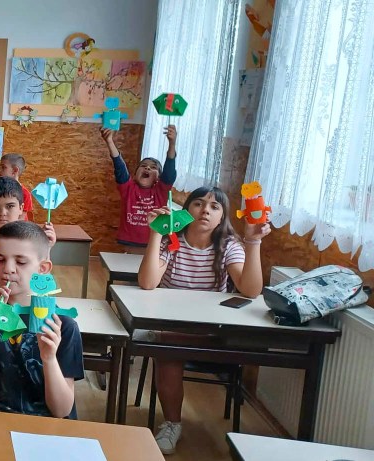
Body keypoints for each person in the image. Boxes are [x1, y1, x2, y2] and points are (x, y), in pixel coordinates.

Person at [137, 186, 270, 455]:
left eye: (214, 207)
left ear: (222, 218)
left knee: (167, 343)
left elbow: (251, 290)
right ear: (186, 210)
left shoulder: (228, 246)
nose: (205, 210)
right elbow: (148, 282)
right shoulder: (171, 240)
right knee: (168, 347)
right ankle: (173, 424)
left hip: (211, 332)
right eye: (198, 204)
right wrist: (156, 232)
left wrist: (253, 242)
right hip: (174, 328)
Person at [0, 221, 84, 418]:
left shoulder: (62, 326)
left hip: (44, 427)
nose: (8, 269)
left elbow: (61, 410)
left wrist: (49, 358)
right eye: (0, 260)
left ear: (43, 268)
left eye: (20, 262)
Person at [102, 126, 178, 253]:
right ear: (135, 174)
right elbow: (119, 167)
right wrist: (110, 142)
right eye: (143, 166)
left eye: (153, 167)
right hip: (129, 244)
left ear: (158, 178)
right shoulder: (128, 188)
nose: (147, 168)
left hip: (152, 244)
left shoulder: (161, 191)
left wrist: (172, 144)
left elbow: (169, 172)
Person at [0, 153, 34, 220]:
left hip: (17, 226)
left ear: (15, 170)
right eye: (0, 167)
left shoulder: (25, 194)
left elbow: (21, 219)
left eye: (3, 167)